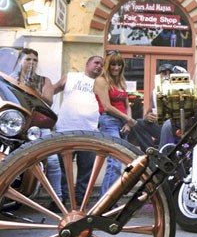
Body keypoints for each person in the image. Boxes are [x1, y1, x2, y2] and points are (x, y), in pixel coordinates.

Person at [12, 48, 62, 202]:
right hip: (17, 124)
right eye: (28, 59)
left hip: (38, 125)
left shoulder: (43, 80)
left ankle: (57, 199)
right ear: (20, 61)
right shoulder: (12, 78)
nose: (32, 63)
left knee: (52, 161)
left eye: (35, 60)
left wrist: (33, 89)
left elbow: (48, 101)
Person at [53, 55, 104, 205]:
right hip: (65, 129)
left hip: (90, 132)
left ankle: (81, 200)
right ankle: (62, 199)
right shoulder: (71, 77)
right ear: (87, 63)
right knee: (64, 169)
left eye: (102, 64)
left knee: (86, 169)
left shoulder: (101, 83)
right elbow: (51, 91)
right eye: (96, 63)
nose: (99, 66)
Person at [94, 51, 137, 196]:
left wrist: (128, 122)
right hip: (109, 121)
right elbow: (106, 106)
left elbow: (127, 104)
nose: (116, 68)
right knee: (115, 162)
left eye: (119, 64)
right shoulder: (101, 81)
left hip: (122, 123)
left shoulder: (120, 82)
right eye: (113, 64)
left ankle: (109, 199)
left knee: (120, 161)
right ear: (108, 65)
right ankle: (106, 201)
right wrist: (128, 119)